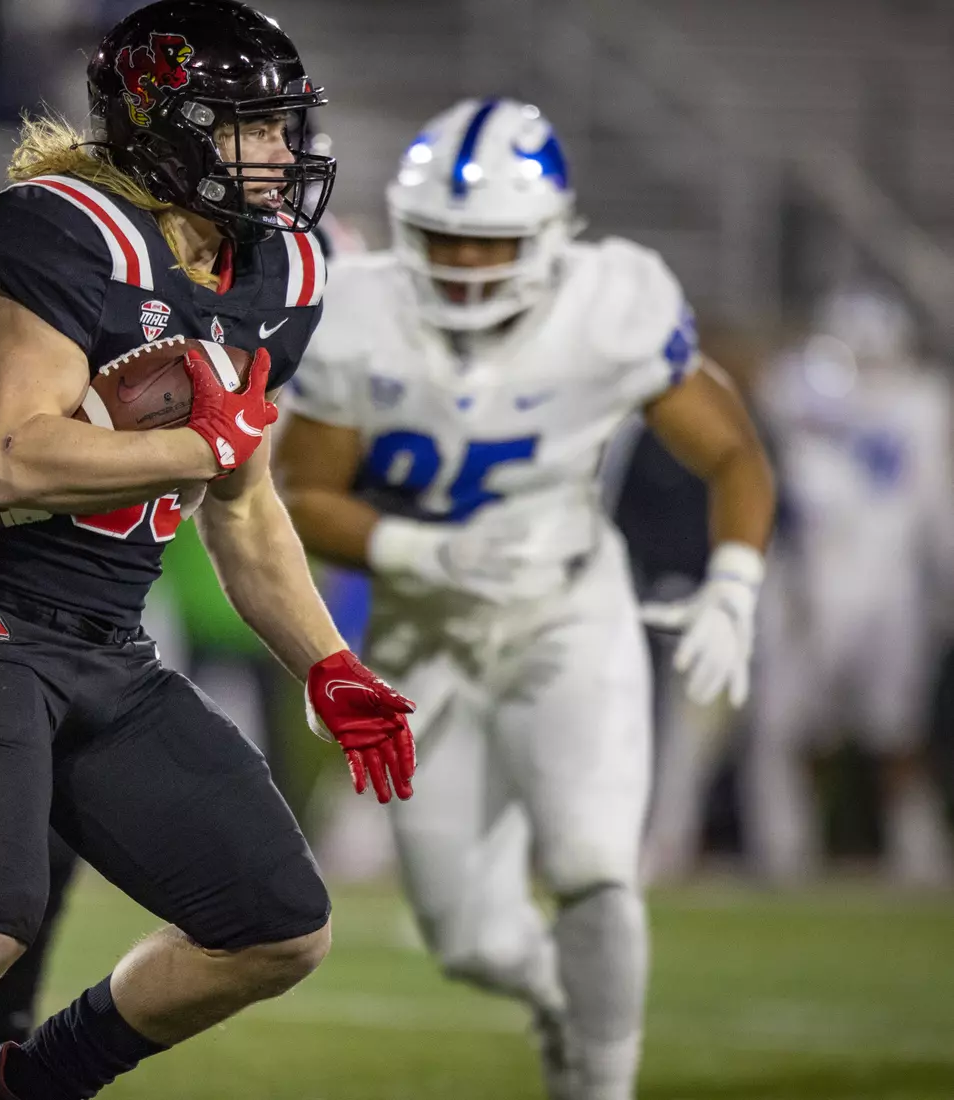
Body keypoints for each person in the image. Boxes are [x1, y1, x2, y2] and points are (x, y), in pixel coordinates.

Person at [0, 5, 416, 1099]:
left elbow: (242, 503)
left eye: (283, 126)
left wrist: (327, 662)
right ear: (165, 129)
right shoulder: (69, 229)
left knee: (278, 924)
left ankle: (22, 1082)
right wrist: (198, 442)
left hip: (110, 647)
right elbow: (13, 458)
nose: (281, 153)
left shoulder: (282, 268)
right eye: (249, 127)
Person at [277, 97, 776, 1100]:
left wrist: (734, 581)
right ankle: (561, 999)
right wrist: (425, 550)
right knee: (466, 936)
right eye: (445, 238)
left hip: (567, 611)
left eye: (492, 241)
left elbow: (731, 451)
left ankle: (599, 1083)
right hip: (423, 630)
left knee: (595, 863)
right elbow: (302, 496)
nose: (466, 265)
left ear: (551, 234)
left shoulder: (612, 300)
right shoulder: (359, 311)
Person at [751, 287, 954, 886]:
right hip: (811, 579)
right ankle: (791, 846)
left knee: (897, 727)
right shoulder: (800, 386)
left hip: (891, 584)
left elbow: (934, 506)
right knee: (798, 724)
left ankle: (913, 845)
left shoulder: (923, 402)